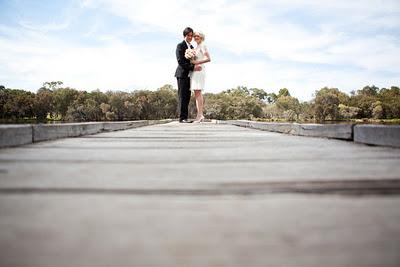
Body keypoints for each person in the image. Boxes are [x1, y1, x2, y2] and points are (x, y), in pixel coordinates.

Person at [174, 27, 202, 123]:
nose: (190, 37)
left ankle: (185, 117)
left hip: (191, 76)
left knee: (188, 96)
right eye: (188, 35)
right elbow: (180, 61)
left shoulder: (192, 48)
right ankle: (182, 118)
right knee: (182, 96)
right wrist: (193, 67)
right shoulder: (180, 46)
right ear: (184, 36)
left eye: (191, 35)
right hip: (182, 74)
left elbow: (194, 60)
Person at [190, 31, 211, 123]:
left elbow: (208, 58)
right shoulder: (196, 47)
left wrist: (196, 63)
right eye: (194, 36)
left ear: (201, 37)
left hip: (199, 70)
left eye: (197, 36)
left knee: (198, 91)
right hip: (195, 70)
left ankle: (200, 115)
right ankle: (199, 115)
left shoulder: (203, 45)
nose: (195, 37)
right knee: (196, 92)